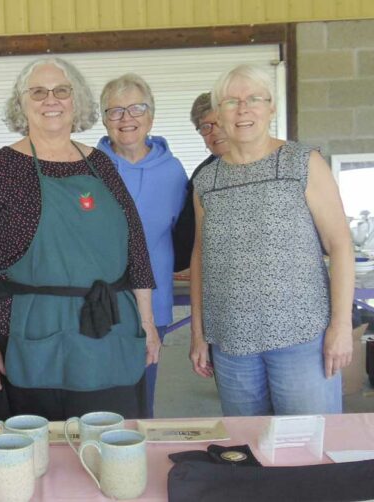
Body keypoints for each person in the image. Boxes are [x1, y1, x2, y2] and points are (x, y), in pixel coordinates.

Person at [0, 58, 160, 422]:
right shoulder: (1, 170)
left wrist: (147, 321)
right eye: (39, 92)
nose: (52, 100)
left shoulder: (100, 164)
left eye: (62, 91)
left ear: (75, 101)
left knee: (107, 443)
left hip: (107, 330)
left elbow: (136, 250)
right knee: (35, 451)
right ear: (21, 103)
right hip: (28, 335)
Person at [189, 65, 354, 416]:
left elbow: (340, 245)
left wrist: (340, 326)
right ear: (218, 113)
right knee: (250, 455)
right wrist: (198, 333)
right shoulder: (206, 180)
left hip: (302, 339)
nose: (243, 109)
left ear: (271, 107)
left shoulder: (303, 163)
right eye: (232, 101)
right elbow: (201, 258)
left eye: (254, 99)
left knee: (308, 452)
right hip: (232, 347)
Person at [96, 74, 187, 417]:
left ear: (151, 116)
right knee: (99, 399)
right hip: (99, 303)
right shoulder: (89, 167)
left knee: (142, 400)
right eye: (116, 111)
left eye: (136, 108)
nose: (126, 119)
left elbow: (179, 232)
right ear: (104, 119)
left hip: (155, 302)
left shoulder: (174, 172)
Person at [172, 92, 231, 272]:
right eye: (205, 127)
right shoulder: (203, 176)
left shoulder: (270, 164)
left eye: (220, 122)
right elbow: (186, 240)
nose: (214, 131)